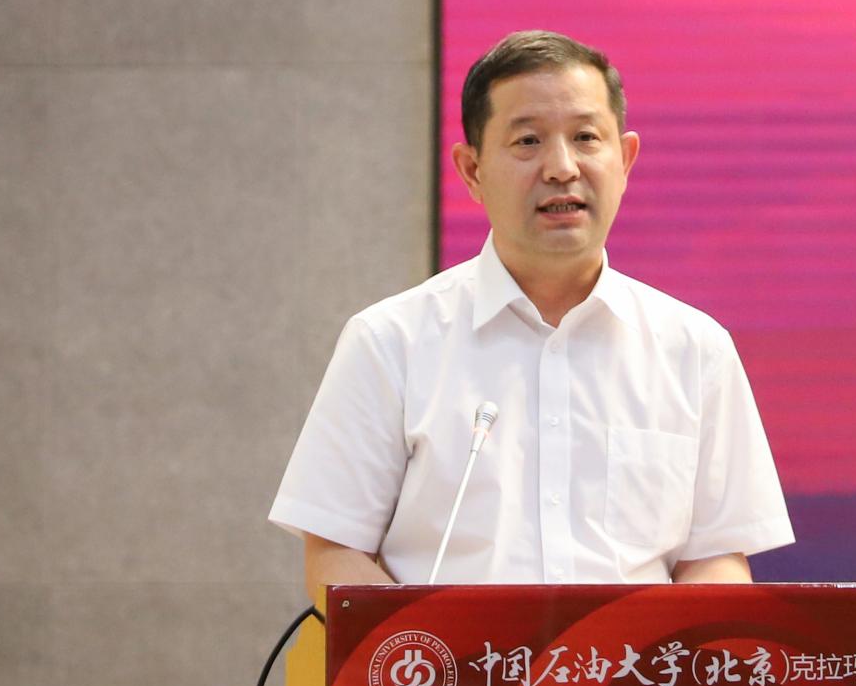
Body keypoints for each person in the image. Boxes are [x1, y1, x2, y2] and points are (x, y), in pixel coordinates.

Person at [269, 30, 793, 596]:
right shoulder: (389, 342)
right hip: (452, 657)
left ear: (625, 160)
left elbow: (715, 560)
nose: (562, 168)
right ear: (472, 170)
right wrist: (434, 651)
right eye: (528, 141)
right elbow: (337, 553)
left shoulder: (695, 349)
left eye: (586, 137)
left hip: (634, 659)